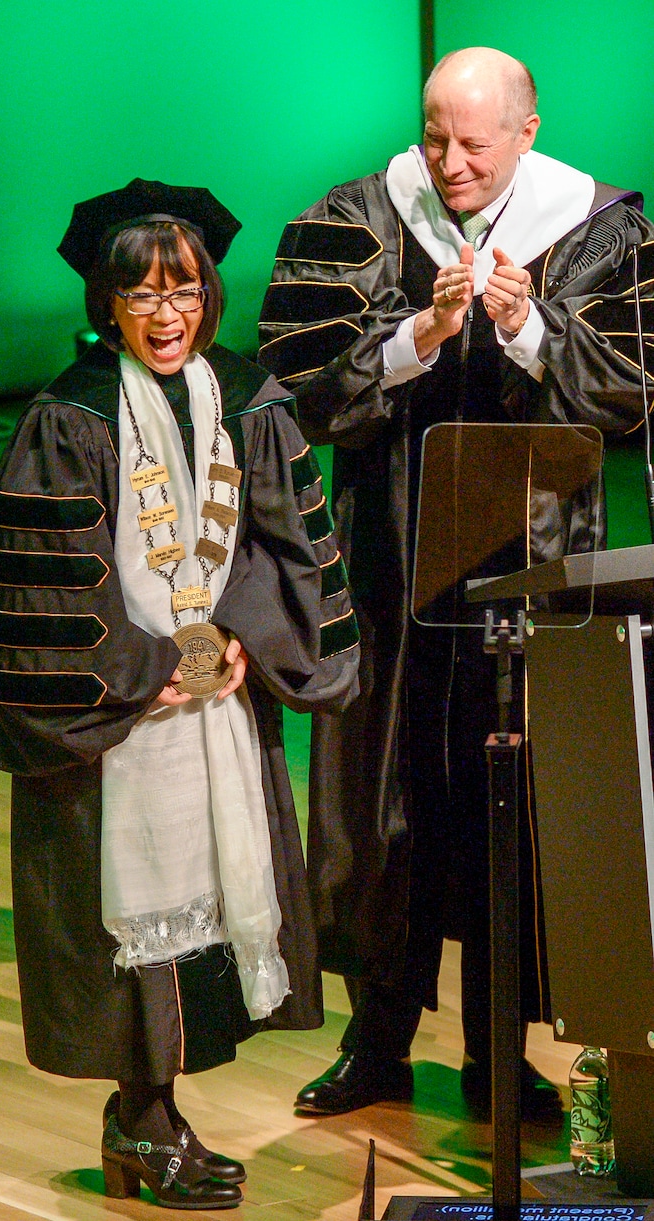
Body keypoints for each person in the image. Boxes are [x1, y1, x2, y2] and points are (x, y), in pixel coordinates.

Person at [258, 47, 654, 1121]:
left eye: (474, 143)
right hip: (391, 564)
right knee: (380, 803)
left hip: (532, 563)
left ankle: (498, 1055)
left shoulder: (599, 229)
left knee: (511, 805)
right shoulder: (359, 215)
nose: (450, 163)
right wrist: (417, 335)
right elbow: (301, 386)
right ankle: (375, 1043)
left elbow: (629, 391)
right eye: (435, 137)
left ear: (527, 131)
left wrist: (529, 329)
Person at [0, 178, 359, 1209]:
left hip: (217, 704)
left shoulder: (248, 398)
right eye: (141, 293)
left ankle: (154, 1123)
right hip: (121, 719)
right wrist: (147, 671)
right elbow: (52, 589)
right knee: (133, 914)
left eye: (184, 290)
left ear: (209, 296)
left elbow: (284, 543)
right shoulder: (69, 416)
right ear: (107, 304)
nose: (165, 314)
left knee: (204, 916)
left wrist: (234, 636)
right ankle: (140, 1122)